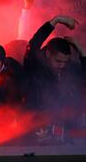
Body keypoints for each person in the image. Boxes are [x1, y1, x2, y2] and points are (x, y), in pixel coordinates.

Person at [22, 15, 86, 145]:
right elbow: (33, 45)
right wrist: (56, 20)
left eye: (65, 61)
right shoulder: (35, 66)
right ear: (47, 54)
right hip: (38, 128)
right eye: (58, 61)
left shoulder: (69, 68)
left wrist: (80, 49)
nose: (61, 65)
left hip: (66, 127)